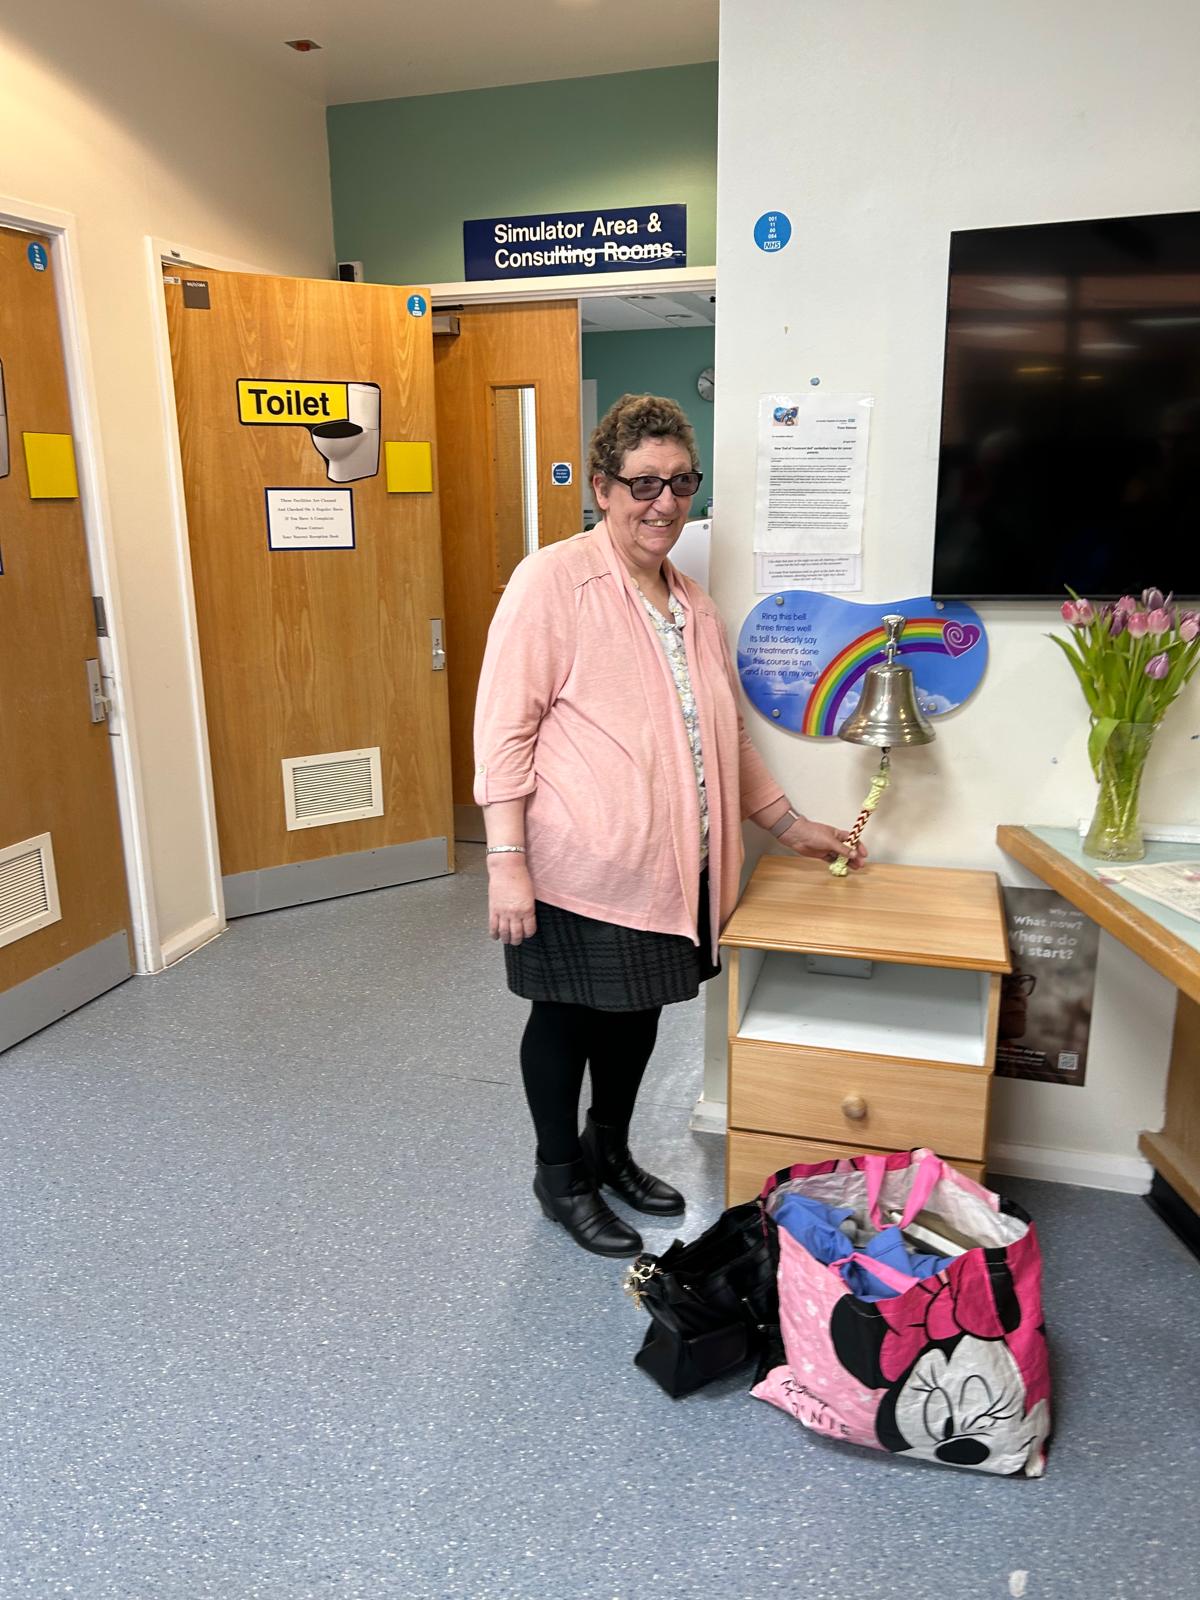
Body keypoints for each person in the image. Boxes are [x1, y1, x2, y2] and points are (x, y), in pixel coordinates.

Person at [473, 393, 864, 1259]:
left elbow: (723, 731)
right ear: (605, 487)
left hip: (673, 864)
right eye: (644, 483)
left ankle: (609, 1151)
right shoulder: (554, 581)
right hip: (579, 860)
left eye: (680, 482)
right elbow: (504, 726)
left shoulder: (691, 600)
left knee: (638, 1011)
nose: (664, 503)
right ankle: (560, 1173)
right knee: (567, 1017)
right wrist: (506, 858)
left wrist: (787, 822)